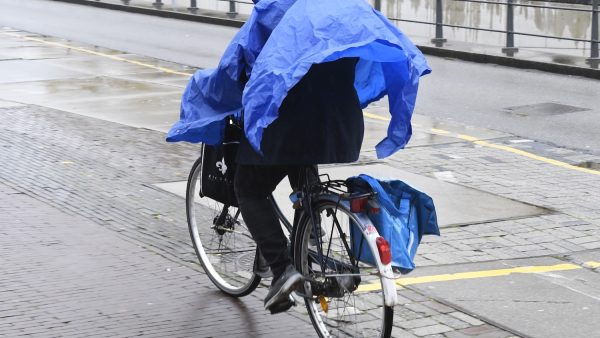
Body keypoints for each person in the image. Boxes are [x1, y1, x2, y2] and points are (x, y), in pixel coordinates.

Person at [234, 57, 364, 314]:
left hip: (291, 121)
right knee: (304, 161)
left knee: (248, 188)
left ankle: (283, 271)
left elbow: (248, 58)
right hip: (339, 121)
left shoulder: (278, 16)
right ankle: (309, 226)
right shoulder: (345, 17)